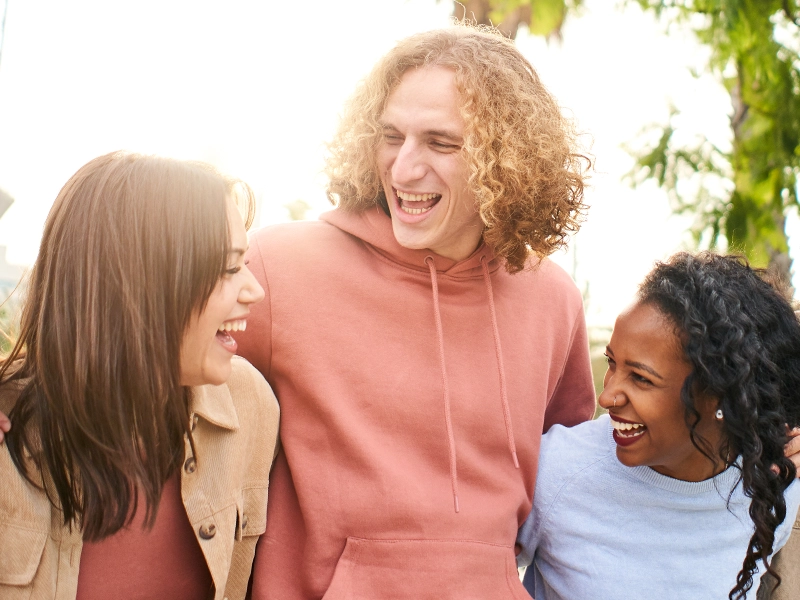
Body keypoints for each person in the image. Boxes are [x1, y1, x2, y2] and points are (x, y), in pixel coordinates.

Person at [235, 25, 596, 598]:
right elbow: (171, 404)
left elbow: (583, 473)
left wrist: (752, 444)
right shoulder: (278, 267)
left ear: (508, 158)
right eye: (391, 136)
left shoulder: (551, 297)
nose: (403, 169)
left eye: (441, 143)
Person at [0, 152, 279, 600]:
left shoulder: (250, 405)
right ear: (142, 286)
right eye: (228, 268)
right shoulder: (7, 429)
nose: (254, 289)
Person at [517, 252, 800, 600]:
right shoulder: (555, 471)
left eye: (641, 378)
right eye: (612, 363)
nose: (607, 398)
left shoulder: (776, 484)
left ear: (722, 398)